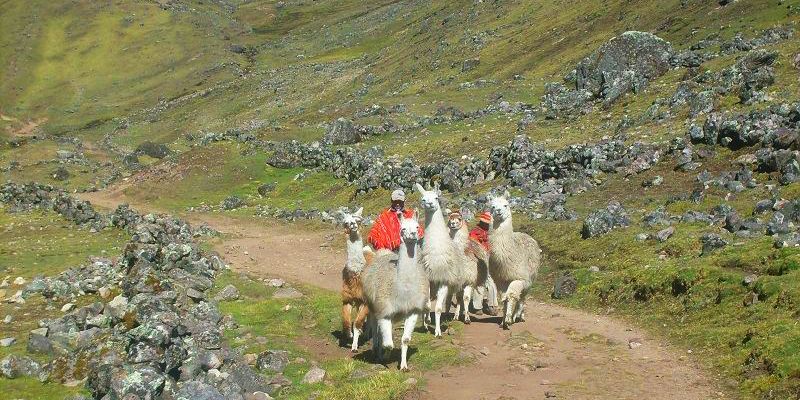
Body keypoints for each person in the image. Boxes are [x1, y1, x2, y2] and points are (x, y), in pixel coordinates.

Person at [469, 211, 499, 316]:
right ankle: (477, 307)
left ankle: (492, 305)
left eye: (487, 223)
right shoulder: (475, 232)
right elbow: (472, 245)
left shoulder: (490, 233)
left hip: (488, 259)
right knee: (480, 283)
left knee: (491, 283)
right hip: (478, 260)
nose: (486, 224)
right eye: (484, 223)